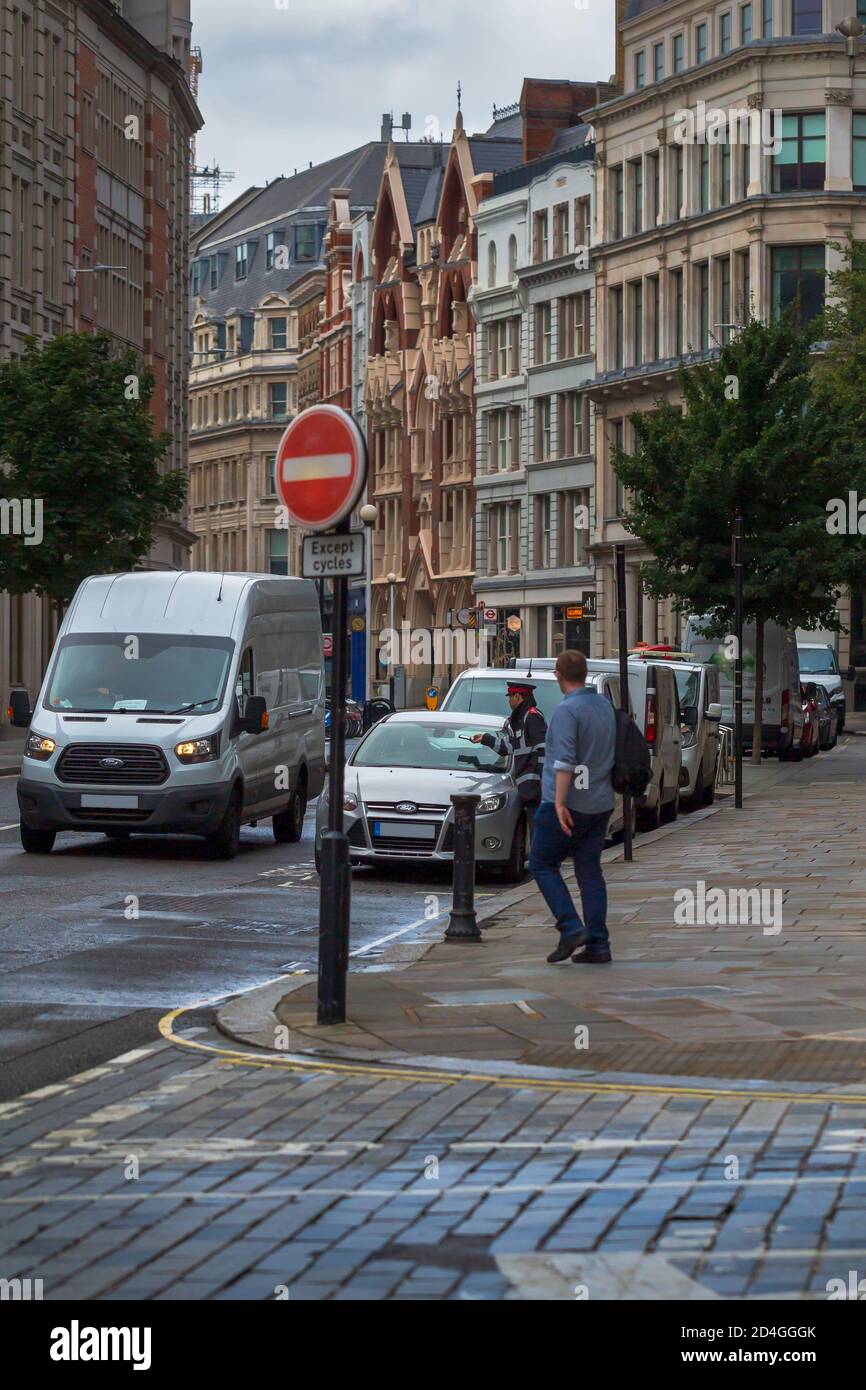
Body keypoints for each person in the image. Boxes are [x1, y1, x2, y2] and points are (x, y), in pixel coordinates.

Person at [528, 650, 617, 966]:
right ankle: (598, 945)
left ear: (558, 675)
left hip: (565, 803)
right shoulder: (604, 705)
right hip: (600, 802)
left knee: (540, 863)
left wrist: (560, 802)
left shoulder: (568, 711)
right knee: (590, 872)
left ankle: (570, 927)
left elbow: (564, 761)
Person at [470, 680, 547, 832]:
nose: (509, 700)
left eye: (510, 696)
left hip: (535, 789)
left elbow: (544, 749)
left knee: (538, 831)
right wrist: (486, 739)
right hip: (527, 788)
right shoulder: (519, 719)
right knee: (533, 830)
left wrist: (542, 779)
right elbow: (510, 748)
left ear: (518, 696)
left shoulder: (532, 717)